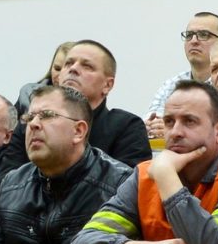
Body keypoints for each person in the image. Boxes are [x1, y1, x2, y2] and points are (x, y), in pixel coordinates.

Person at [72, 81, 218, 244]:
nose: (175, 132)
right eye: (169, 122)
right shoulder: (145, 175)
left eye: (189, 121)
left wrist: (167, 178)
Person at [0, 84, 136, 244]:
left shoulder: (120, 185)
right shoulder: (10, 186)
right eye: (29, 117)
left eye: (47, 115)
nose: (33, 124)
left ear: (78, 131)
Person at [53, 39, 152, 167]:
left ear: (107, 85)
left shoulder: (126, 127)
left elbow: (129, 178)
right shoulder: (36, 122)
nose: (73, 69)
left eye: (87, 66)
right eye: (68, 63)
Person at [150, 11, 218, 115]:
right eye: (189, 35)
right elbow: (151, 120)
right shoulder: (171, 85)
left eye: (204, 35)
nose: (194, 41)